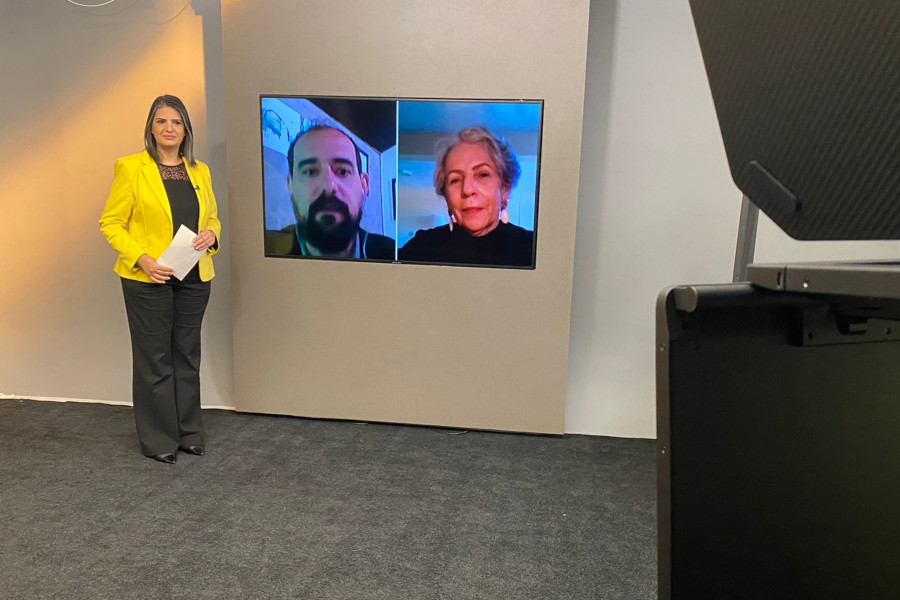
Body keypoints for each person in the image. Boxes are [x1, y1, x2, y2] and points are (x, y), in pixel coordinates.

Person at [99, 95, 221, 464]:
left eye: (177, 122)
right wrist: (142, 258)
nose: (169, 129)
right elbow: (110, 223)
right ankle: (158, 439)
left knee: (187, 355)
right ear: (151, 127)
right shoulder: (131, 167)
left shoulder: (199, 170)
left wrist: (212, 236)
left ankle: (189, 433)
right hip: (147, 277)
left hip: (194, 275)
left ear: (186, 130)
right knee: (155, 358)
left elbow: (212, 218)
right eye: (162, 121)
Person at [398, 126, 534, 267]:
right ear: (446, 196)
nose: (467, 190)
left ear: (505, 189)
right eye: (455, 180)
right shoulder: (422, 247)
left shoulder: (531, 248)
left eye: (482, 175)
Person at [265, 124, 394, 260]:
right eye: (310, 172)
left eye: (343, 171)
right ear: (290, 185)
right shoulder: (261, 253)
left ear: (364, 185)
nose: (328, 186)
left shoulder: (392, 255)